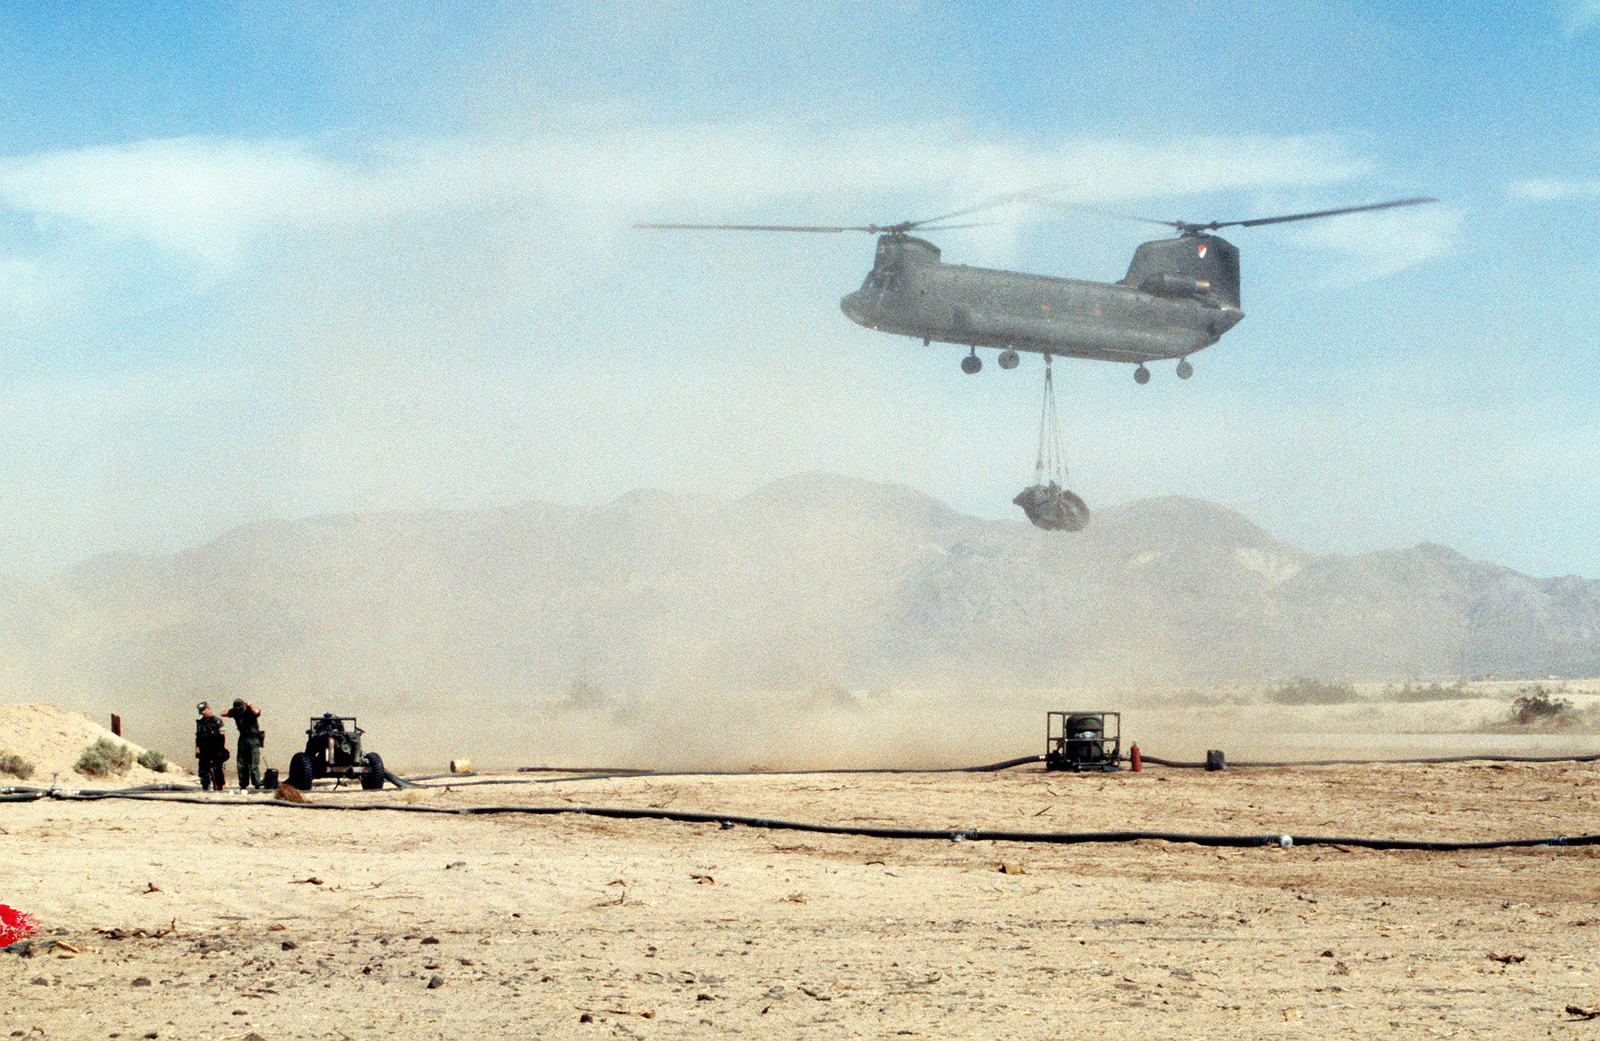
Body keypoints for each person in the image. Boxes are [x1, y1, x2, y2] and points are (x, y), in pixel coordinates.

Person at [220, 698, 264, 790]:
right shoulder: (236, 712)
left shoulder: (250, 711)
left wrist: (249, 706)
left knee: (253, 762)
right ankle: (243, 784)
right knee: (241, 763)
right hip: (243, 739)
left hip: (253, 738)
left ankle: (257, 783)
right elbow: (222, 713)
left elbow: (257, 712)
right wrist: (234, 710)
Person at [193, 701, 228, 792]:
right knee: (203, 771)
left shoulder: (216, 721)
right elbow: (198, 737)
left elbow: (222, 736)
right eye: (202, 713)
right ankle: (205, 788)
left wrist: (221, 749)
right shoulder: (200, 723)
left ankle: (219, 788)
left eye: (204, 712)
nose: (203, 714)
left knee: (217, 770)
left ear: (208, 709)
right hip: (204, 749)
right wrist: (197, 750)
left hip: (215, 748)